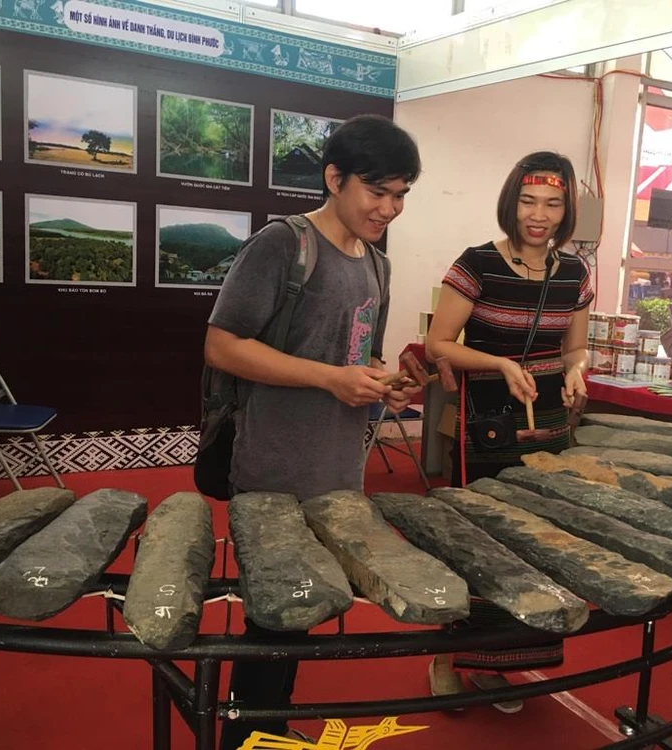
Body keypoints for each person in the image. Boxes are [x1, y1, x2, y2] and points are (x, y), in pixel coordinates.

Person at [204, 114, 421, 748]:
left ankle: (268, 727)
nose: (389, 208)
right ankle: (246, 735)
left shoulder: (377, 265)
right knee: (272, 614)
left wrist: (386, 382)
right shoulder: (283, 245)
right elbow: (221, 345)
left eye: (400, 195)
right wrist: (330, 379)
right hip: (270, 465)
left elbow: (360, 354)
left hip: (337, 472)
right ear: (334, 178)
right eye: (377, 192)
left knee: (300, 609)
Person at [424, 151, 593, 712]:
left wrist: (576, 371)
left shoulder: (574, 273)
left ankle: (503, 660)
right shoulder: (477, 263)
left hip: (549, 423)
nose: (538, 216)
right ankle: (449, 657)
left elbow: (574, 347)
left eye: (552, 204)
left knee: (537, 539)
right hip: (487, 422)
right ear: (510, 203)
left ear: (567, 210)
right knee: (479, 540)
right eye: (528, 202)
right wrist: (498, 363)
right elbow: (437, 343)